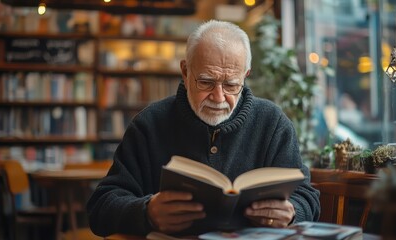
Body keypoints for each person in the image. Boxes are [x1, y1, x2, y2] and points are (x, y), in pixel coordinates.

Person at [86, 19, 320, 237]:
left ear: (245, 76)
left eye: (231, 85)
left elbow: (307, 198)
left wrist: (291, 212)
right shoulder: (149, 124)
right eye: (206, 82)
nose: (219, 97)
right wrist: (146, 212)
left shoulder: (272, 123)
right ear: (186, 72)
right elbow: (100, 207)